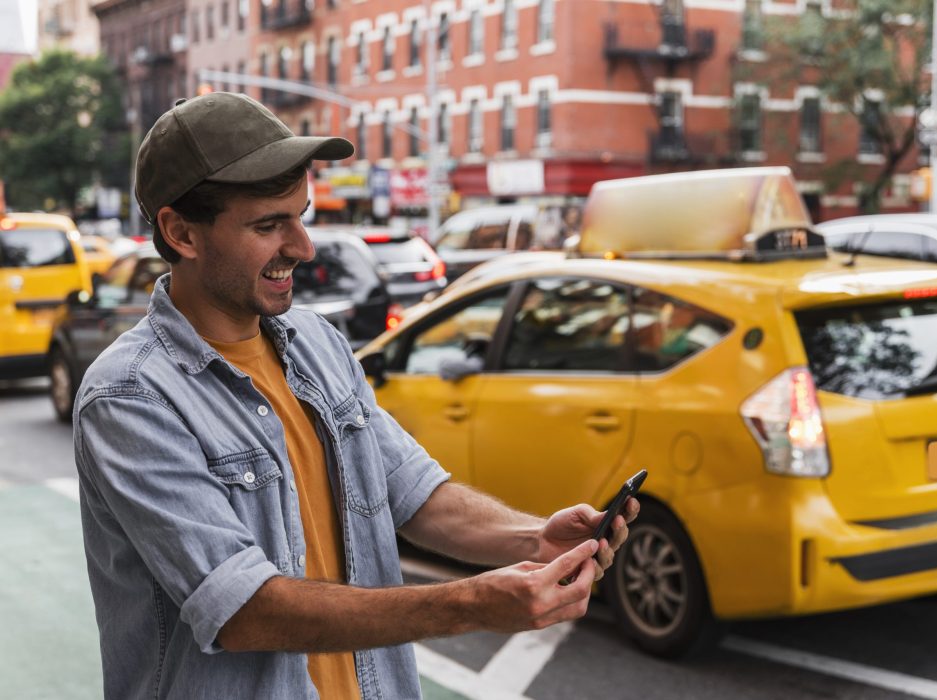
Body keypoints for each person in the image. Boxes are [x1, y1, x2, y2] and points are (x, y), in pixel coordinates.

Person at [73, 92, 639, 700]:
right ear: (181, 232)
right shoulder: (128, 397)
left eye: (301, 216)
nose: (303, 246)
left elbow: (414, 492)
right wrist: (472, 603)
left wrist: (533, 538)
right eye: (268, 225)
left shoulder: (317, 343)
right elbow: (243, 610)